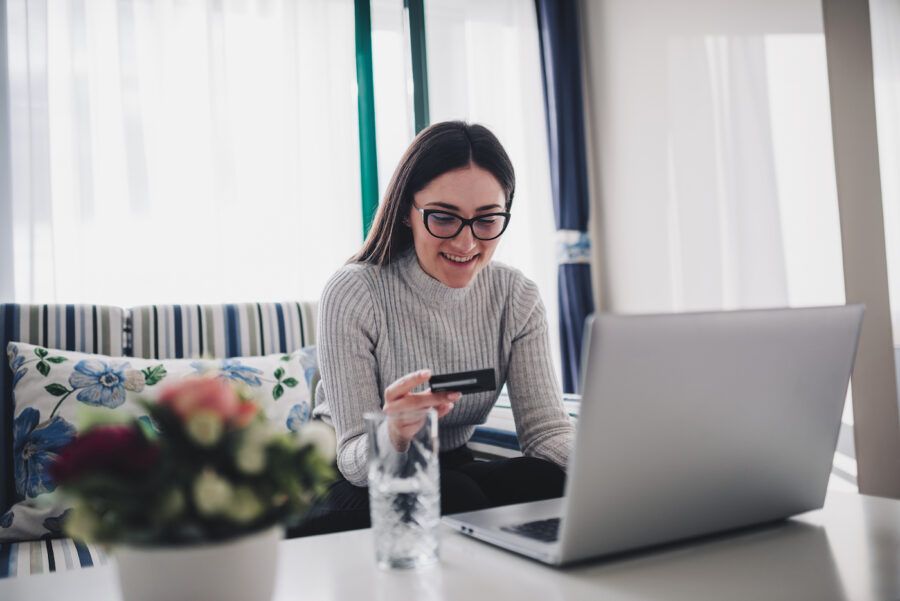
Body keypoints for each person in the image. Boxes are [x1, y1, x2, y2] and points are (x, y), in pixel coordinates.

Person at [293, 121, 574, 536]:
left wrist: (609, 469)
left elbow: (546, 433)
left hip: (446, 467)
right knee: (457, 495)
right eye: (443, 218)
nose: (466, 243)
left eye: (487, 220)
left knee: (547, 482)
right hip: (345, 474)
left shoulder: (516, 297)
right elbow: (352, 458)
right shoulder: (354, 291)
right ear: (408, 210)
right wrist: (391, 430)